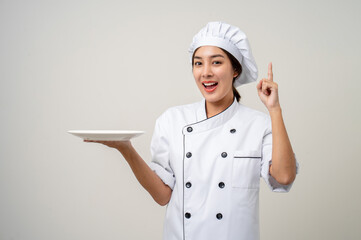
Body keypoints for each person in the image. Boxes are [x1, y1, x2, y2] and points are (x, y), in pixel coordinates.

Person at [85, 21, 299, 240]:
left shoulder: (258, 124)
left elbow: (283, 176)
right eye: (198, 63)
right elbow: (162, 196)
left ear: (235, 69)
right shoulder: (172, 120)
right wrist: (126, 149)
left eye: (216, 62)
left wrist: (274, 110)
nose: (206, 72)